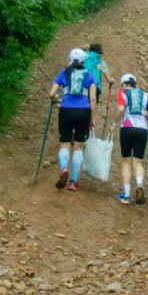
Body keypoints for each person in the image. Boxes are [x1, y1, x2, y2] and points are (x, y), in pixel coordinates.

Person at [48, 48, 97, 191]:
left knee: (64, 143)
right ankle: (73, 182)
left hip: (66, 110)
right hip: (83, 111)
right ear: (84, 60)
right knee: (78, 146)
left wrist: (58, 100)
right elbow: (92, 98)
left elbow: (52, 93)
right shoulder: (89, 75)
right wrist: (92, 118)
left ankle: (63, 169)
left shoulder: (64, 72)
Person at [114, 73, 148, 205]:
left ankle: (126, 195)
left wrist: (114, 122)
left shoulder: (122, 93)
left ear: (124, 84)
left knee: (126, 161)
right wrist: (147, 114)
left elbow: (121, 108)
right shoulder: (144, 94)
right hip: (142, 129)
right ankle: (139, 184)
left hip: (126, 128)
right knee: (138, 162)